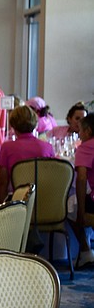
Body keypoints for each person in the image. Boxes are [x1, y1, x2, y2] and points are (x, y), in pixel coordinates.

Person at [0, 104, 55, 195]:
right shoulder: (48, 147)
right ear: (35, 123)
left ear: (12, 125)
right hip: (43, 197)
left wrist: (2, 203)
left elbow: (3, 183)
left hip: (18, 198)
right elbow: (52, 177)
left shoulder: (7, 148)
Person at [72, 115, 94, 268]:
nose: (78, 134)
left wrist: (81, 211)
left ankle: (85, 250)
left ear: (88, 131)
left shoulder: (85, 147)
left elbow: (81, 178)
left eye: (80, 130)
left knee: (69, 205)